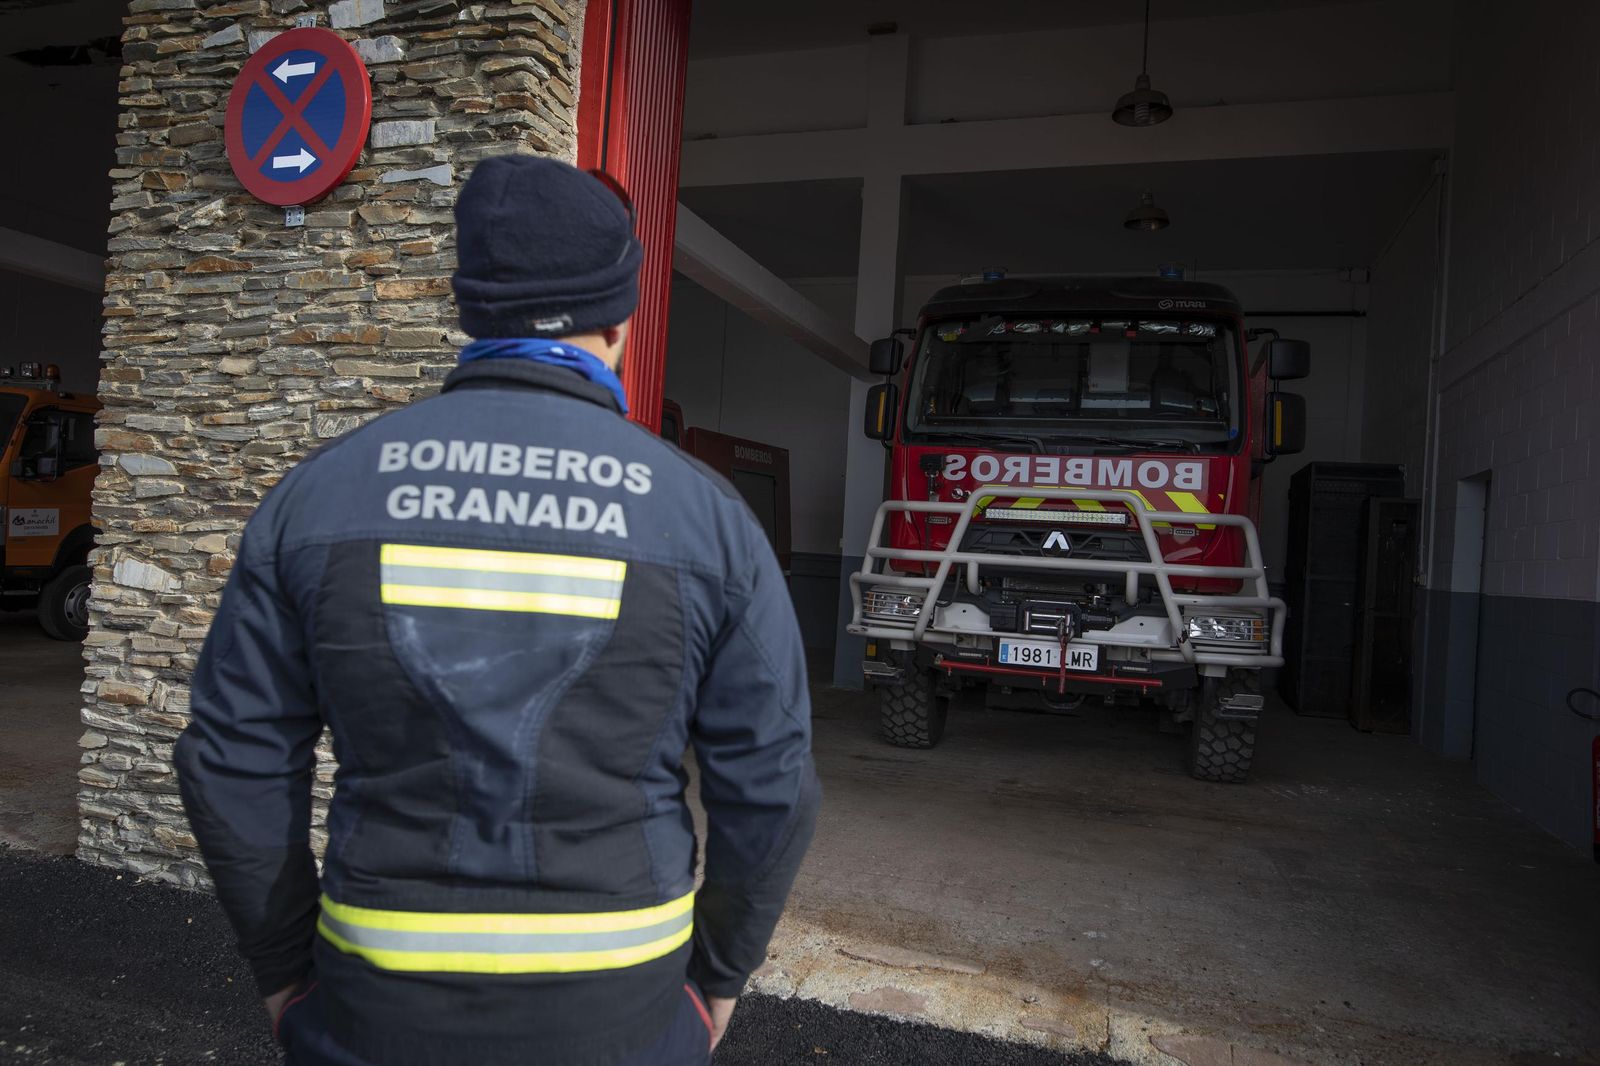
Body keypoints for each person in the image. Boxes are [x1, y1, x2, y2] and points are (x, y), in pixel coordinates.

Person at [174, 154, 821, 1066]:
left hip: (375, 1006)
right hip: (625, 1008)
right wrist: (715, 980)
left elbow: (230, 755)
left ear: (471, 307)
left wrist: (283, 971)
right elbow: (775, 784)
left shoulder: (320, 497)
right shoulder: (706, 519)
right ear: (621, 318)